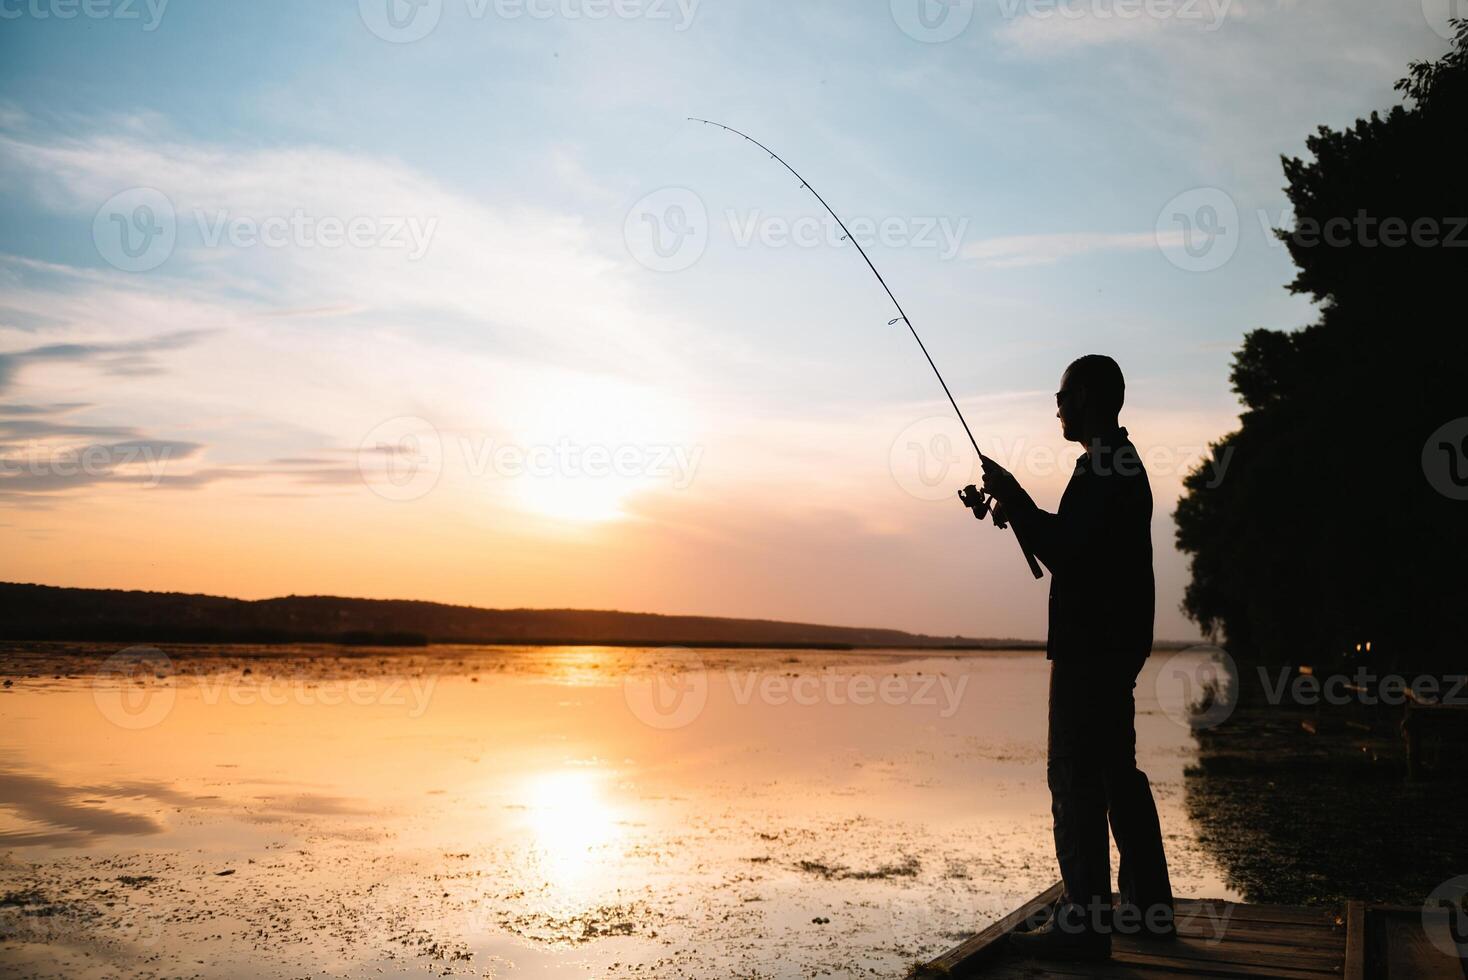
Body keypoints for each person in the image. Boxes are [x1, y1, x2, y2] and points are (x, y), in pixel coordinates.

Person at [976, 354, 1175, 961]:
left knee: (1074, 777)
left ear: (1086, 396)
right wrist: (1021, 512)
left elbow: (1069, 550)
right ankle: (1147, 908)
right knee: (1116, 772)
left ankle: (1084, 924)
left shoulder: (1104, 466)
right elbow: (1075, 540)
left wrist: (1013, 495)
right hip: (1114, 645)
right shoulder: (1115, 463)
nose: (1056, 405)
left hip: (1092, 648)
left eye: (1062, 395)